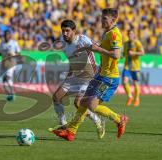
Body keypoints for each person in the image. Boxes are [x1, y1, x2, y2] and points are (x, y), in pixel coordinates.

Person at [51, 8, 128, 141]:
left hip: (109, 78)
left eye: (104, 18)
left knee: (91, 105)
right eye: (101, 18)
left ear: (113, 20)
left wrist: (95, 49)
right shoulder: (107, 33)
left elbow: (116, 55)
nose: (101, 21)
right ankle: (70, 131)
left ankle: (119, 119)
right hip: (100, 74)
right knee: (83, 103)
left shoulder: (115, 34)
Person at [51, 19, 105, 139]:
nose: (65, 33)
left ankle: (98, 121)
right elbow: (72, 60)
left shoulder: (82, 40)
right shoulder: (62, 43)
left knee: (78, 103)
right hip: (74, 75)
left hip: (88, 76)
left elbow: (99, 48)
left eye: (67, 31)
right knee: (56, 97)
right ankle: (64, 125)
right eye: (63, 31)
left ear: (74, 31)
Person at [0, 30, 22, 101]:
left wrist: (13, 54)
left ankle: (12, 93)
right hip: (4, 63)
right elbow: (0, 53)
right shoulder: (2, 43)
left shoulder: (14, 43)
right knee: (3, 81)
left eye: (8, 35)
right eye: (5, 35)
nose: (6, 37)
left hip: (11, 63)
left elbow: (19, 54)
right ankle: (10, 95)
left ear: (10, 36)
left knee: (7, 77)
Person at [122, 29, 145, 107]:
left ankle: (137, 99)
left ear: (134, 35)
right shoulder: (125, 44)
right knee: (125, 81)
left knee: (135, 82)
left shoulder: (137, 43)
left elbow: (142, 53)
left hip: (135, 66)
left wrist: (134, 53)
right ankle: (130, 96)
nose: (130, 35)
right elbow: (124, 54)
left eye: (131, 34)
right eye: (129, 34)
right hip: (127, 66)